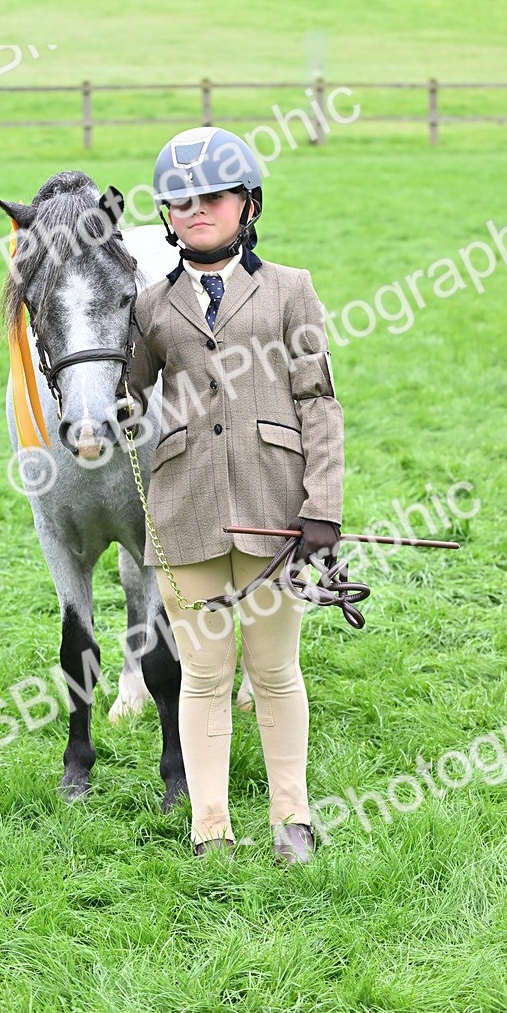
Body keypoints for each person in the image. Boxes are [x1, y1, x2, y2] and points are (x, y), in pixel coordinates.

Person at [125, 126, 344, 864]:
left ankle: (292, 819)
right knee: (206, 674)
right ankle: (210, 826)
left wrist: (322, 508)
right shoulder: (149, 307)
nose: (195, 211)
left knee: (274, 671)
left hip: (274, 510)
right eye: (180, 201)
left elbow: (318, 401)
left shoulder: (290, 289)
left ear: (248, 204)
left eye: (212, 197)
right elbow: (127, 401)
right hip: (184, 510)